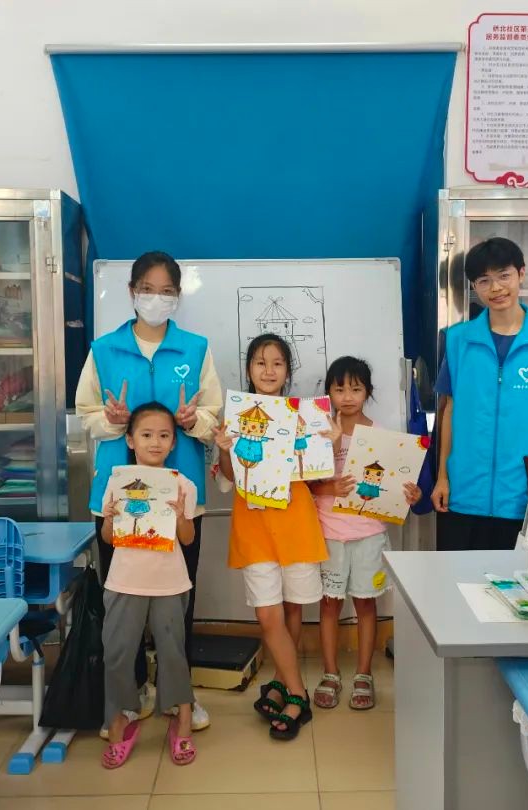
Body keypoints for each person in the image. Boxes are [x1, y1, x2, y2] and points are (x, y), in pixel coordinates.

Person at [76, 250, 222, 732]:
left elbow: (213, 416)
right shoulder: (104, 349)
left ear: (177, 296)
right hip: (120, 497)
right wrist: (112, 421)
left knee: (178, 599)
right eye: (148, 290)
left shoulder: (195, 349)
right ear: (132, 291)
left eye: (167, 291)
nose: (156, 299)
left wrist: (193, 421)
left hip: (180, 496)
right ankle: (130, 691)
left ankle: (179, 695)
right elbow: (86, 415)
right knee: (123, 598)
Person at [213, 333, 334, 740]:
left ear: (287, 370)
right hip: (254, 527)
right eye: (260, 362)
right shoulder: (235, 416)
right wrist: (224, 449)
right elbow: (229, 478)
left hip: (296, 522)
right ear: (248, 368)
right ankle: (299, 693)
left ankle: (281, 684)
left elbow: (317, 474)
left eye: (277, 363)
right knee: (268, 614)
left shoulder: (306, 415)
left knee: (293, 610)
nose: (268, 371)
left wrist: (327, 444)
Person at [431, 237, 528, 550]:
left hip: (523, 495)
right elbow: (449, 412)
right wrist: (442, 477)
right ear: (474, 287)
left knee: (518, 580)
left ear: (521, 274)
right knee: (457, 578)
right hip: (463, 494)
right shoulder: (457, 340)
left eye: (504, 276)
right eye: (484, 280)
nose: (495, 288)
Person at [309, 357, 421, 711]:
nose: (347, 396)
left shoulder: (381, 437)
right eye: (339, 388)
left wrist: (410, 494)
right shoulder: (318, 432)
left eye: (356, 389)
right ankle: (330, 673)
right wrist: (330, 486)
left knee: (365, 604)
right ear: (329, 392)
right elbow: (308, 484)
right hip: (329, 531)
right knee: (329, 605)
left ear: (367, 392)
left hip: (369, 533)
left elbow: (395, 486)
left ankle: (364, 674)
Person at [99, 402, 198, 768]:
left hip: (169, 583)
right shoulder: (117, 481)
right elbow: (110, 539)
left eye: (164, 435)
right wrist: (108, 519)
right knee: (117, 653)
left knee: (173, 653)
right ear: (130, 440)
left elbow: (187, 539)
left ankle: (182, 719)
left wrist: (180, 515)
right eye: (146, 435)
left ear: (173, 443)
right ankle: (119, 720)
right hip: (124, 581)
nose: (155, 442)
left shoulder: (182, 484)